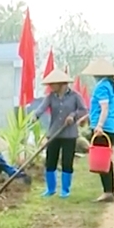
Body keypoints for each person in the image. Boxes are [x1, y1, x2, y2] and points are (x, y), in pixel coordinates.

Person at [28, 69, 87, 198]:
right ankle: (50, 189)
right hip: (54, 133)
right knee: (50, 161)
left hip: (69, 134)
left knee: (67, 161)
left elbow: (83, 110)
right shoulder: (50, 97)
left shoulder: (75, 96)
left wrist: (73, 116)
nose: (50, 87)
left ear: (62, 84)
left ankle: (65, 190)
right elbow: (41, 108)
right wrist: (35, 116)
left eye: (52, 84)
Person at [81, 58, 114, 203]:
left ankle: (108, 191)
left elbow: (104, 108)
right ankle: (109, 191)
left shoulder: (101, 87)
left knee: (102, 161)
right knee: (105, 160)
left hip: (103, 128)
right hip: (112, 127)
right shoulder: (111, 86)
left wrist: (99, 125)